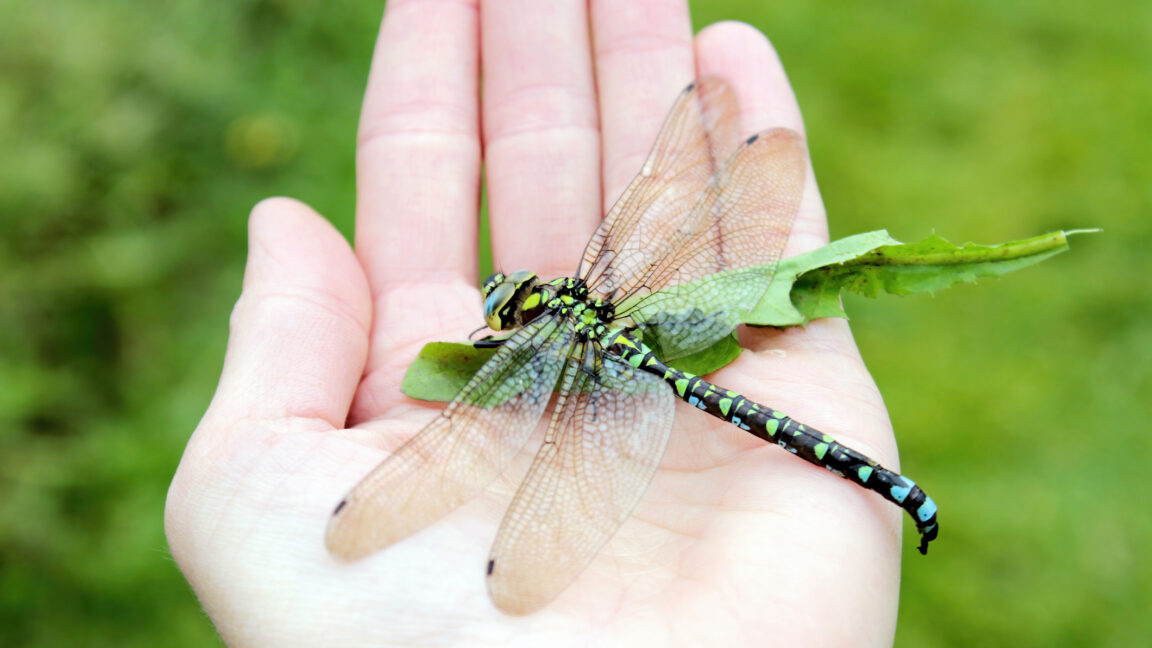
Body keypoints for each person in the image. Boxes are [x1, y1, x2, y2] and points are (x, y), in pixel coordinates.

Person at [166, 1, 907, 644]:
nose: (507, 301)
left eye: (507, 302)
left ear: (517, 315)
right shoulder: (596, 294)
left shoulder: (545, 349)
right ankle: (892, 490)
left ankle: (890, 490)